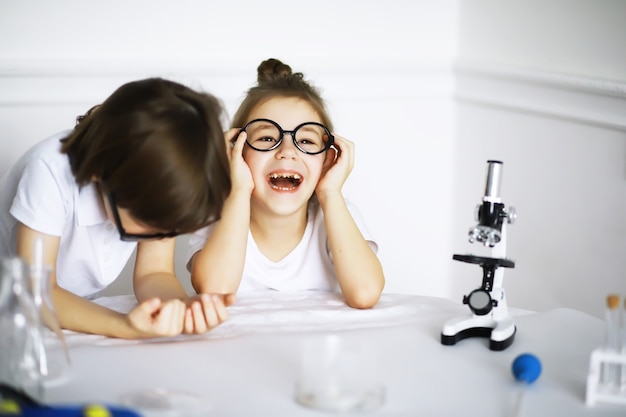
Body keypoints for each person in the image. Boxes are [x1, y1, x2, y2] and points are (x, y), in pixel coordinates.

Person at [0, 77, 233, 339]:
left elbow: (154, 272)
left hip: (68, 313)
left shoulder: (152, 179)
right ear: (102, 173)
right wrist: (126, 326)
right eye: (154, 223)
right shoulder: (48, 170)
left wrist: (179, 308)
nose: (163, 235)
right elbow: (37, 292)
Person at [188, 59, 384, 309]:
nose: (288, 151)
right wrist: (238, 190)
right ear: (236, 151)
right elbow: (215, 293)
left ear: (328, 159)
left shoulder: (335, 215)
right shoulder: (214, 217)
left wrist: (330, 193)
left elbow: (365, 293)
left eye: (306, 141)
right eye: (267, 137)